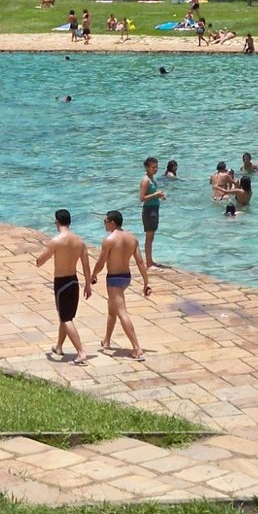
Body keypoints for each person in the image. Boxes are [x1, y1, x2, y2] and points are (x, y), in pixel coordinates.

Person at [90, 210, 151, 359]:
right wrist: (146, 282)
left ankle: (137, 348)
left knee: (121, 311)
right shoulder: (132, 238)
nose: (104, 224)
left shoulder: (109, 240)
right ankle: (107, 340)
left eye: (105, 221)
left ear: (112, 223)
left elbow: (101, 262)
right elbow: (140, 262)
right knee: (112, 309)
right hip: (126, 278)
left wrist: (93, 275)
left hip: (114, 279)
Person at [35, 208, 92, 363]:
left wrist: (38, 260)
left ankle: (80, 352)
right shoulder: (80, 242)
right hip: (74, 281)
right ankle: (59, 346)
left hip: (61, 283)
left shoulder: (56, 241)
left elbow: (41, 261)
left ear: (56, 222)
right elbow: (86, 266)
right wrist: (88, 285)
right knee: (65, 316)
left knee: (66, 319)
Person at [138, 155, 165, 268]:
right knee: (149, 237)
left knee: (151, 236)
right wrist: (156, 194)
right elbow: (141, 198)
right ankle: (148, 263)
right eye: (153, 167)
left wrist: (159, 196)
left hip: (154, 209)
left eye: (156, 167)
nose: (155, 169)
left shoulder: (152, 179)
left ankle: (150, 260)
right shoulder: (145, 180)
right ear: (147, 168)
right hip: (149, 210)